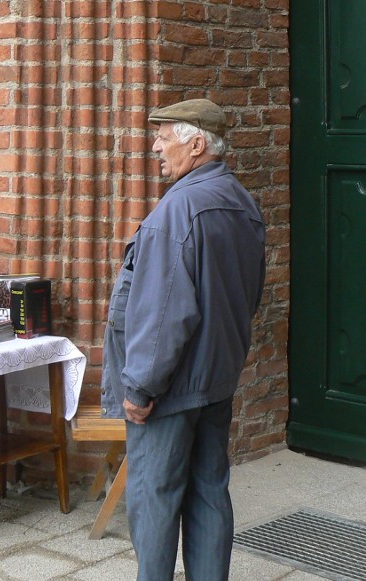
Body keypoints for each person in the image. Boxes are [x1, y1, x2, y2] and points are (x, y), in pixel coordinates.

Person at [100, 99, 266, 580]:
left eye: (164, 135)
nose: (155, 145)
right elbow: (248, 295)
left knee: (153, 497)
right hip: (216, 379)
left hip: (169, 388)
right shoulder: (242, 201)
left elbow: (162, 313)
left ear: (197, 145)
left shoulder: (177, 210)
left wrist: (141, 388)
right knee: (210, 489)